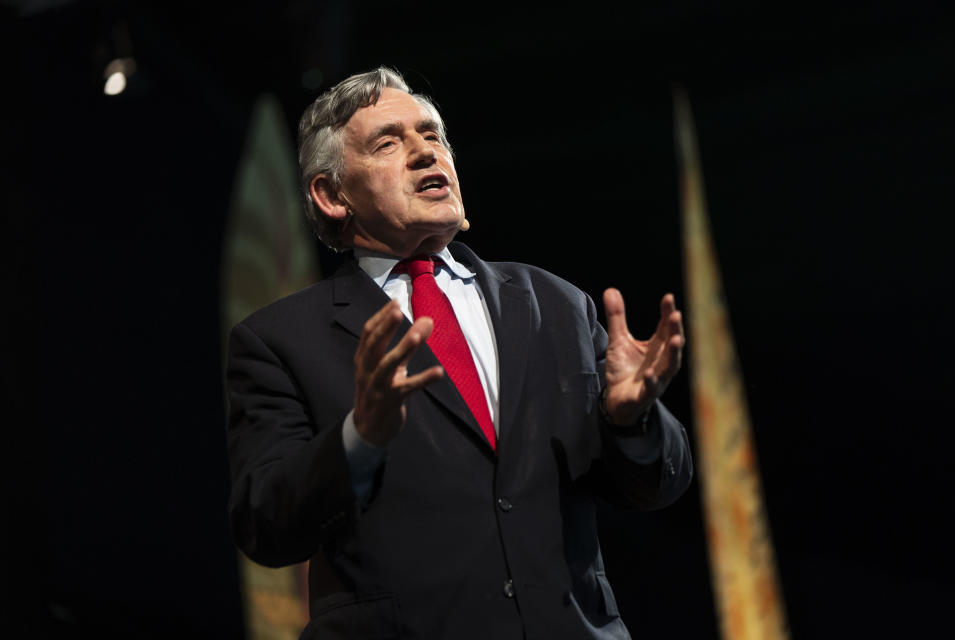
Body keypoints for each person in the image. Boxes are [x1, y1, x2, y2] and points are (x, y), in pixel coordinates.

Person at [226, 67, 693, 640]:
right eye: (389, 142)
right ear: (331, 196)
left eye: (433, 135)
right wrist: (359, 439)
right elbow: (264, 523)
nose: (425, 153)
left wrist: (631, 419)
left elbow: (657, 486)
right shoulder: (278, 340)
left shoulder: (554, 303)